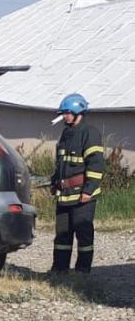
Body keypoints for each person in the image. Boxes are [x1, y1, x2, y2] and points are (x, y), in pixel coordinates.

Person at [50, 93, 105, 274]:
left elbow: (96, 165)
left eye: (67, 113)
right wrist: (54, 182)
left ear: (77, 112)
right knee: (62, 235)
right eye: (63, 113)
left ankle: (82, 271)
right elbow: (61, 163)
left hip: (82, 195)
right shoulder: (66, 134)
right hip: (64, 195)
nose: (64, 116)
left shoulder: (90, 133)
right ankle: (59, 269)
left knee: (84, 235)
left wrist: (89, 190)